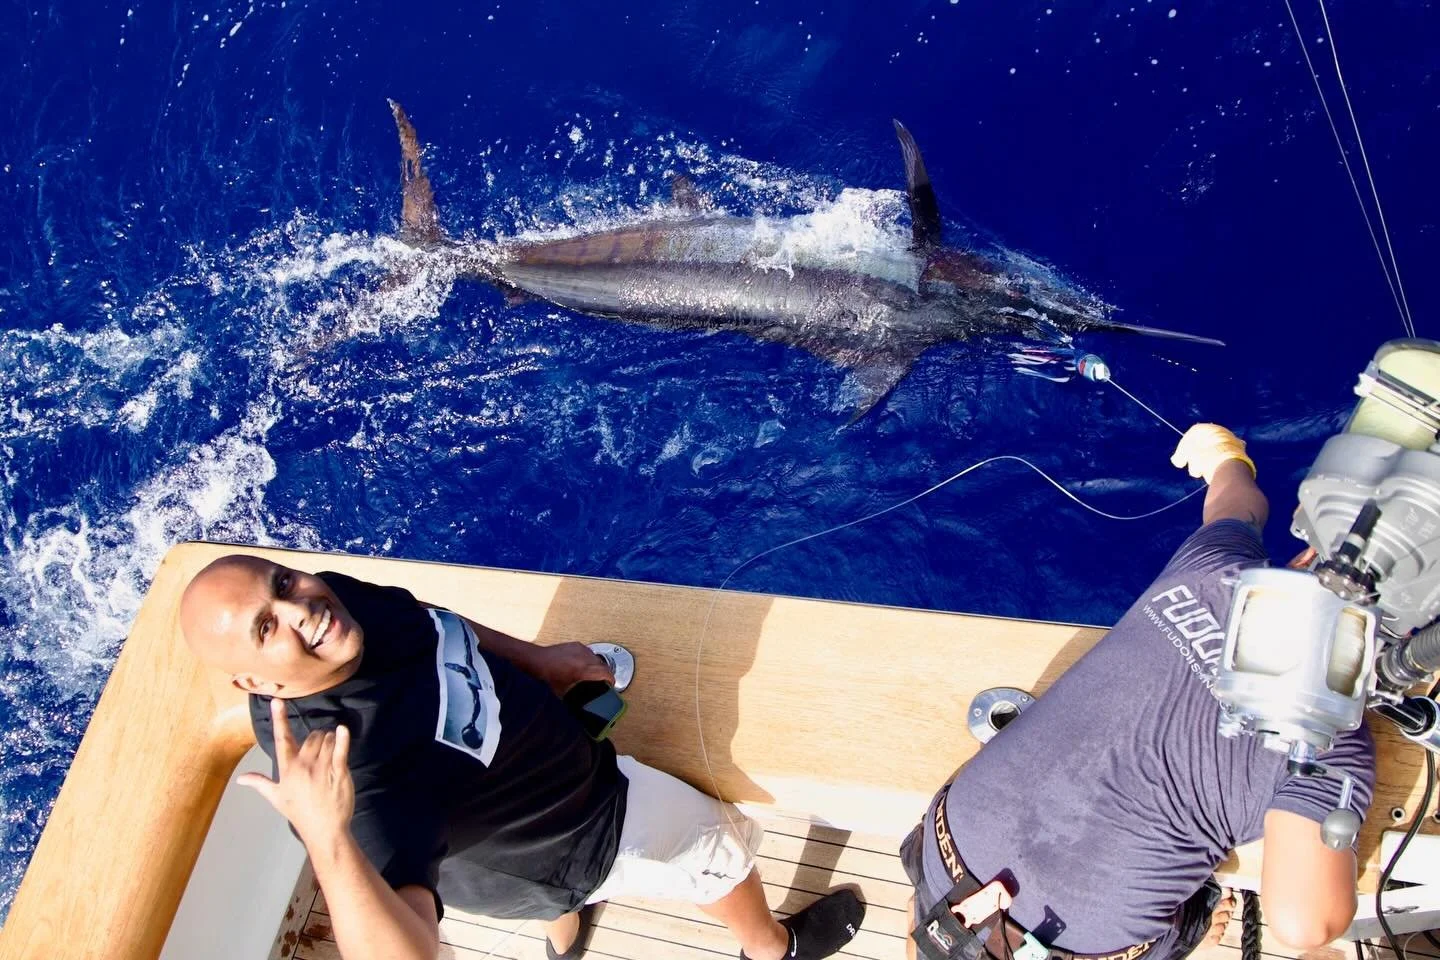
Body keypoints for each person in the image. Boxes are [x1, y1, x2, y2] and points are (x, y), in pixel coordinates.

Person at [179, 557, 864, 960]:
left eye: (281, 584)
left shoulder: (335, 604)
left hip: (517, 827)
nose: (302, 610)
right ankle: (774, 949)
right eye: (267, 628)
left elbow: (428, 623)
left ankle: (562, 938)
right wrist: (327, 841)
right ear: (253, 684)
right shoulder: (357, 773)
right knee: (720, 851)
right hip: (584, 831)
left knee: (550, 902)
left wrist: (536, 661)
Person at [901, 423, 1376, 960]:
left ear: (1294, 566)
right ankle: (1191, 923)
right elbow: (1301, 922)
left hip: (951, 856)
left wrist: (1225, 460)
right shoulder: (1331, 746)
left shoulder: (1212, 572)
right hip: (947, 858)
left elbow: (1237, 505)